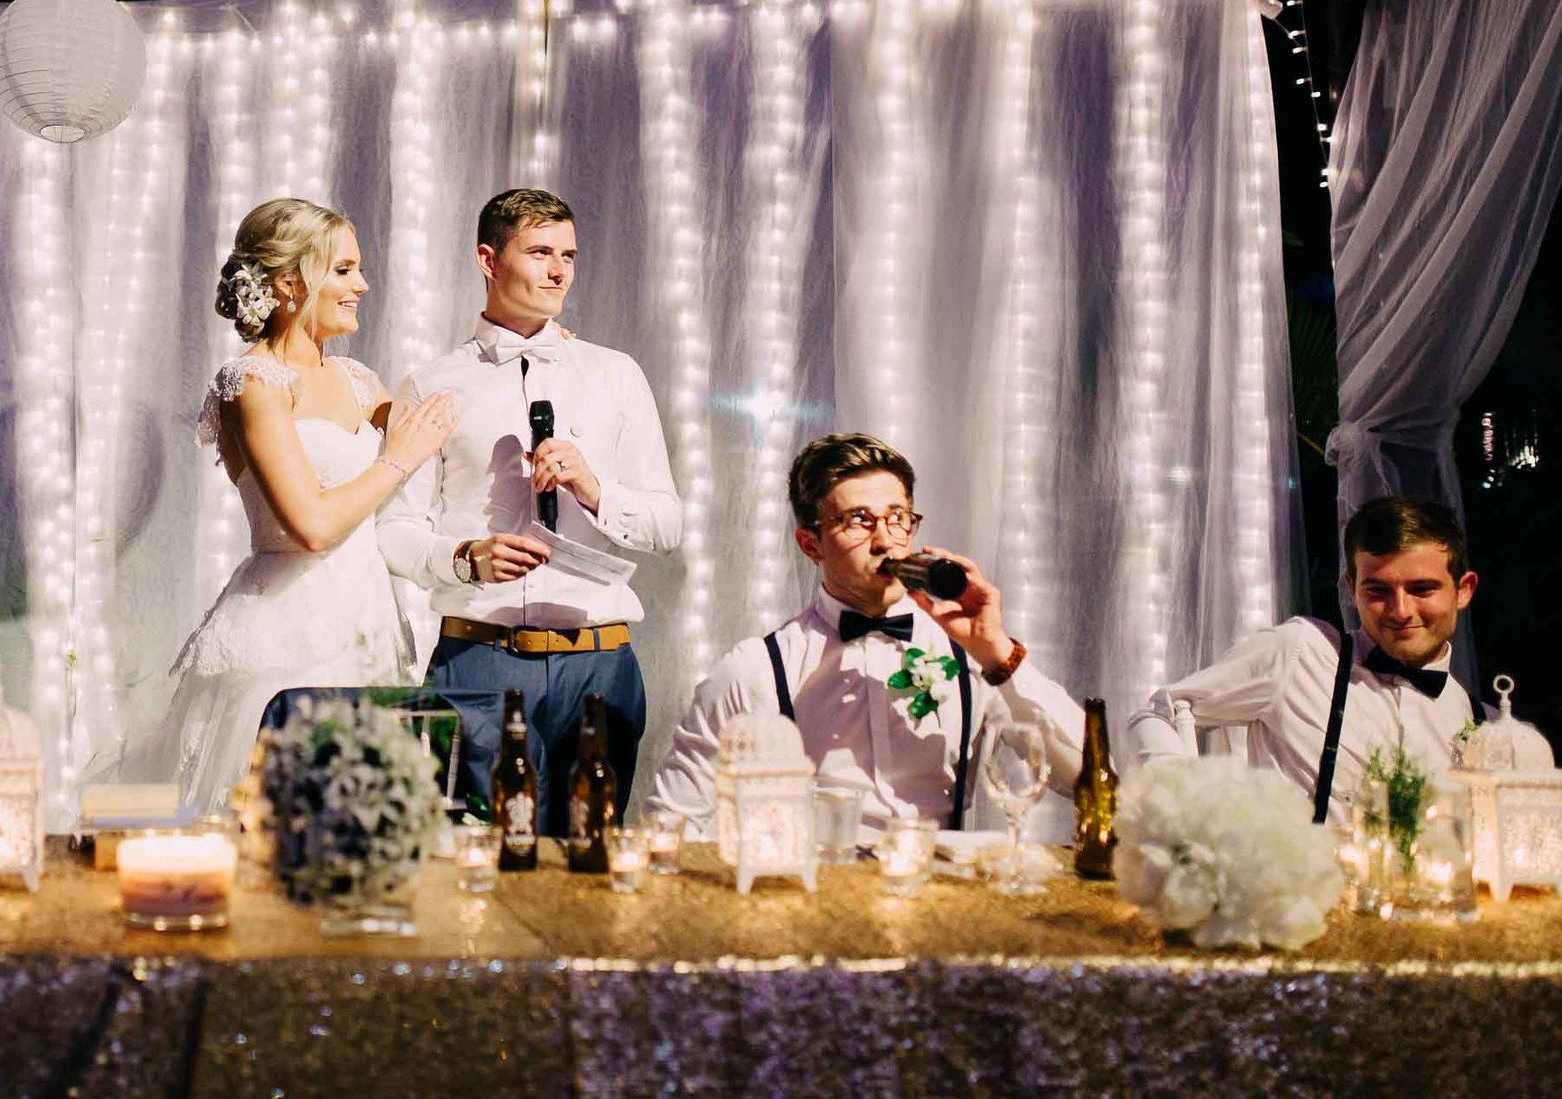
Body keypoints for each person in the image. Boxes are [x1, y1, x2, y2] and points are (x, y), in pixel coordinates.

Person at [111, 198, 459, 813]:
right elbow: (314, 527)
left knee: (363, 818)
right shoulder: (251, 383)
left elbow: (443, 437)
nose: (363, 285)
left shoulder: (360, 381)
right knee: (280, 822)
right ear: (290, 282)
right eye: (345, 270)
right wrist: (397, 456)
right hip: (285, 634)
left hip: (367, 626)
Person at [377, 188, 681, 821]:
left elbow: (666, 524)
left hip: (599, 664)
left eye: (567, 254)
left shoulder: (615, 374)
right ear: (489, 260)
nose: (558, 270)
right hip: (478, 659)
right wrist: (467, 558)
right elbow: (394, 530)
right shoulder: (431, 383)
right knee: (477, 867)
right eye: (539, 251)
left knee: (590, 869)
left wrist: (597, 491)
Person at [648, 432, 1080, 833]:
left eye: (897, 518)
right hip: (813, 900)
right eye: (858, 520)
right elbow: (671, 825)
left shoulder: (972, 658)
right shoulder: (754, 670)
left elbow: (1084, 778)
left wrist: (998, 654)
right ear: (811, 545)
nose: (885, 542)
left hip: (939, 896)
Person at [1130, 494, 1483, 822]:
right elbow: (1160, 710)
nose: (1400, 610)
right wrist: (1175, 798)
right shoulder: (1301, 652)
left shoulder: (1480, 721)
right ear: (1351, 588)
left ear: (1463, 590)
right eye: (1378, 590)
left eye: (1422, 589)